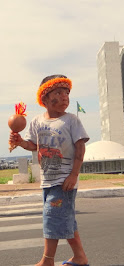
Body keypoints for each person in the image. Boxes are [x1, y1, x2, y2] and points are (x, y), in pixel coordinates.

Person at [9, 74, 89, 266]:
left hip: (64, 181)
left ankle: (47, 260)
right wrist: (20, 142)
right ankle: (80, 257)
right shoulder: (37, 121)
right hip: (47, 179)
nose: (65, 97)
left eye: (67, 93)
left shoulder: (71, 121)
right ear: (44, 98)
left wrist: (74, 175)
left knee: (51, 217)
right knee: (66, 219)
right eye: (59, 92)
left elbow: (80, 148)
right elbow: (33, 145)